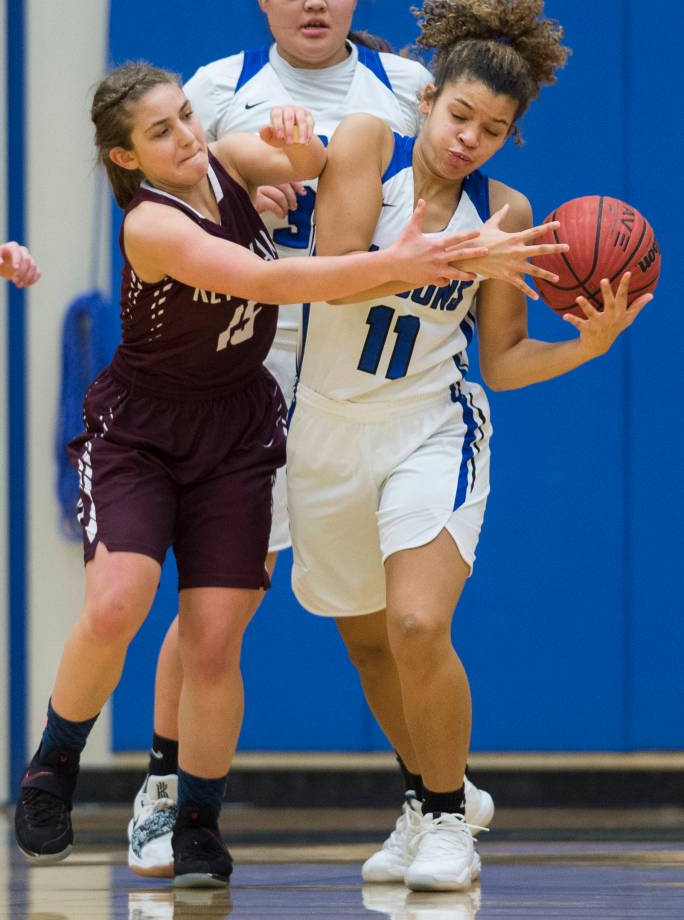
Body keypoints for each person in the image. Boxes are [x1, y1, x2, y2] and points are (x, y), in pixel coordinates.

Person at [13, 61, 487, 887]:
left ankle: (199, 818)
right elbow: (270, 280)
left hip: (238, 427)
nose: (187, 137)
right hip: (141, 430)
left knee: (215, 636)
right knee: (119, 599)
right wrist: (392, 265)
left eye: (186, 117)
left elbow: (318, 164)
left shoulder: (223, 158)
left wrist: (302, 147)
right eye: (161, 133)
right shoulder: (150, 225)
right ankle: (55, 764)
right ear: (127, 159)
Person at [127, 0, 493, 879]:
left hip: (362, 359)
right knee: (221, 594)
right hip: (246, 359)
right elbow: (166, 207)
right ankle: (162, 795)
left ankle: (433, 796)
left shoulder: (409, 90)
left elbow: (451, 197)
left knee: (379, 616)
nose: (315, 2)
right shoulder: (216, 88)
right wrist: (251, 180)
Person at [286, 0, 652, 892]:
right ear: (426, 99)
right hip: (327, 429)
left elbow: (505, 359)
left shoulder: (509, 213)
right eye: (458, 114)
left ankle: (449, 824)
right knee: (366, 640)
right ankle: (427, 795)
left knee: (417, 622)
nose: (467, 138)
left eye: (491, 129)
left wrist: (590, 344)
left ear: (507, 138)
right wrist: (440, 252)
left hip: (430, 428)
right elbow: (331, 279)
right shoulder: (366, 145)